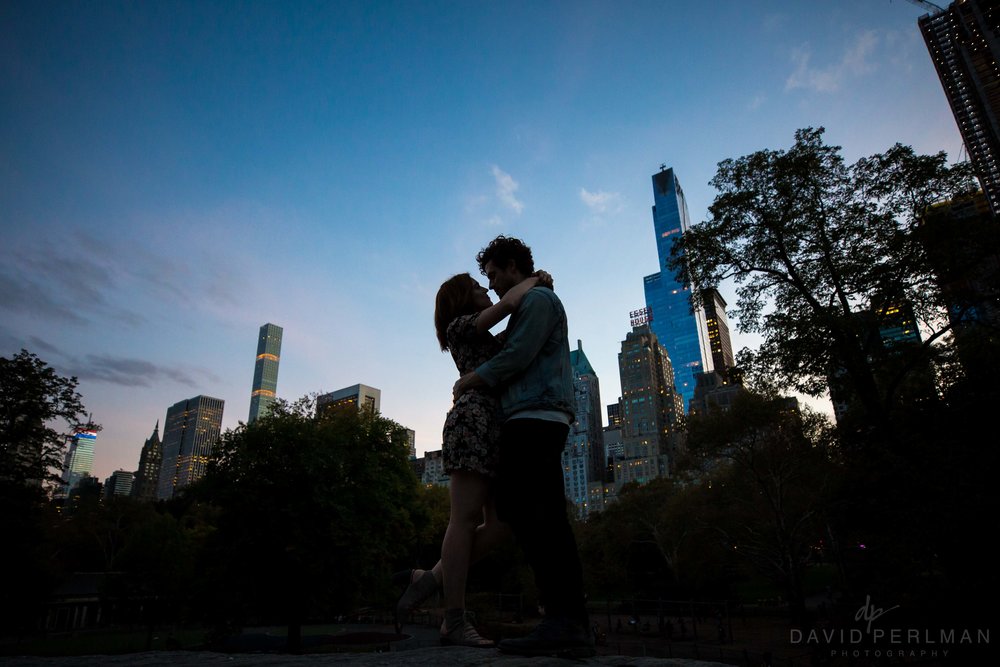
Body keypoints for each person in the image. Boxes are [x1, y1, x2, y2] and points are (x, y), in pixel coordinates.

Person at [453, 235, 594, 658]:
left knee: (540, 515)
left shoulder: (539, 303)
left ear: (512, 265)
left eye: (494, 274)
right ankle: (563, 618)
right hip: (528, 416)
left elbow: (515, 357)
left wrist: (469, 381)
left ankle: (565, 620)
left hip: (537, 416)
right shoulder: (530, 299)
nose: (492, 283)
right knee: (527, 510)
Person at [394, 269, 548, 647]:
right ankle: (454, 621)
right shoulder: (460, 327)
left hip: (496, 427)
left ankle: (429, 578)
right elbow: (509, 304)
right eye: (477, 286)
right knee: (462, 520)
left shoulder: (481, 334)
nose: (485, 288)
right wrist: (536, 280)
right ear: (463, 298)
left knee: (501, 525)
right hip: (472, 422)